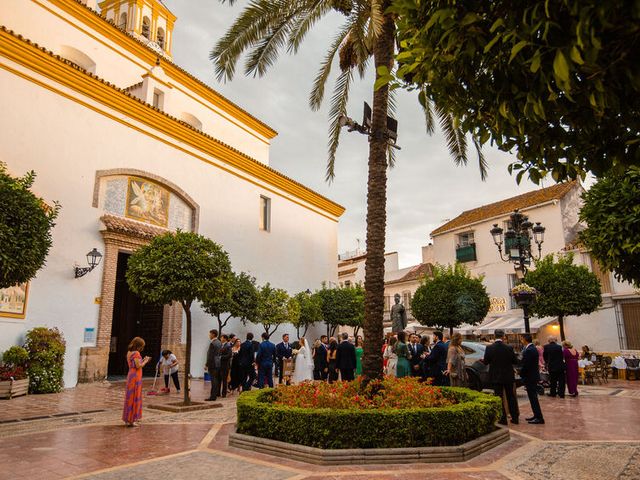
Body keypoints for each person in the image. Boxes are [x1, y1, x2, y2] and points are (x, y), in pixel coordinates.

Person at [483, 329, 519, 425]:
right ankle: (515, 417)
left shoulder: (489, 348)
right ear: (503, 336)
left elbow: (486, 361)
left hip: (496, 376)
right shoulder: (509, 348)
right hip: (508, 376)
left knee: (499, 397)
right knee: (511, 396)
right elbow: (515, 361)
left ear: (494, 336)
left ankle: (503, 419)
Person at [122, 337, 150, 427]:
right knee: (135, 395)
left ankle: (128, 418)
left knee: (129, 396)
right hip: (136, 376)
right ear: (139, 346)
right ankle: (132, 420)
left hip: (130, 374)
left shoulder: (129, 352)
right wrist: (145, 361)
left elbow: (133, 364)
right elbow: (138, 366)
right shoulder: (137, 353)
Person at [520, 333, 545, 424]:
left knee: (533, 398)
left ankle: (539, 417)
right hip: (532, 376)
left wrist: (521, 373)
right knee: (532, 397)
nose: (521, 340)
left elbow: (527, 365)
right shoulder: (531, 348)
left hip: (530, 377)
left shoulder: (529, 350)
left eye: (521, 339)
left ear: (525, 339)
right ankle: (536, 415)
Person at [205, 329, 222, 401]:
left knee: (213, 380)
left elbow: (210, 356)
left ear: (213, 334)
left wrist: (207, 364)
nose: (209, 335)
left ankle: (213, 396)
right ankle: (215, 394)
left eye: (210, 334)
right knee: (216, 379)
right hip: (217, 362)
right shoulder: (219, 342)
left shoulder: (213, 343)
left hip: (212, 363)